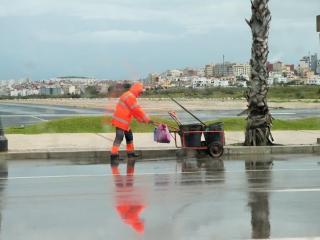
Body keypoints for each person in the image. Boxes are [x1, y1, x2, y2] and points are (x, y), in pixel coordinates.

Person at [110, 82, 153, 165]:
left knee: (129, 136)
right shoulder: (130, 97)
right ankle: (114, 156)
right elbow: (137, 110)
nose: (140, 94)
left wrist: (141, 120)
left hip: (124, 120)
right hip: (121, 120)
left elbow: (133, 111)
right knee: (119, 137)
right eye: (140, 92)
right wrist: (147, 119)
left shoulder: (128, 95)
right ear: (137, 90)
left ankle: (130, 153)